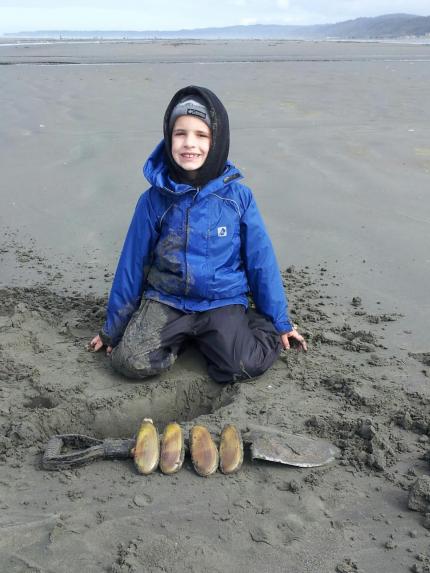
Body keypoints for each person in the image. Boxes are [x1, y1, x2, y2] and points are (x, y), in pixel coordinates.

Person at [89, 85, 307, 383]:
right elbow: (131, 265)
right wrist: (112, 330)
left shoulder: (239, 199)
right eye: (180, 133)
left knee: (240, 367)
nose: (190, 144)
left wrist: (281, 322)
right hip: (168, 300)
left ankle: (251, 324)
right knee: (128, 362)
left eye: (201, 135)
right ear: (168, 137)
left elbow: (261, 262)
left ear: (217, 141)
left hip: (221, 300)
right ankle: (184, 339)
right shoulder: (153, 201)